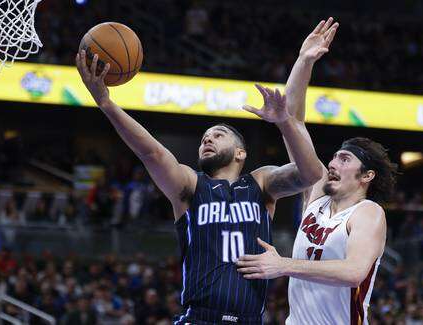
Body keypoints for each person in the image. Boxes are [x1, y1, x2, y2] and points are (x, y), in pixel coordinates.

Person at [76, 50, 323, 323]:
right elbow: (153, 154)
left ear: (241, 153)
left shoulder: (261, 182)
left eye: (218, 135)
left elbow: (311, 173)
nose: (208, 139)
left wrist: (285, 122)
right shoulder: (191, 186)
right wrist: (106, 104)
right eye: (205, 137)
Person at [237, 18, 398, 324]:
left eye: (346, 159)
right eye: (335, 157)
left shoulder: (368, 213)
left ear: (367, 176)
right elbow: (294, 122)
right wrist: (304, 61)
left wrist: (283, 264)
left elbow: (353, 272)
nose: (334, 164)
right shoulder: (318, 193)